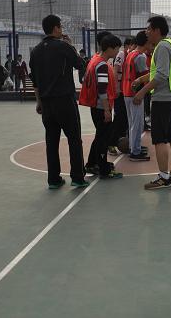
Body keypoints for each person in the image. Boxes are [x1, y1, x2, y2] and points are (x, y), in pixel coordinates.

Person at [29, 15, 89, 189]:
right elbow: (80, 64)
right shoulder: (63, 46)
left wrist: (39, 102)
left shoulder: (35, 51)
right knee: (74, 139)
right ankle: (77, 177)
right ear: (56, 28)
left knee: (51, 141)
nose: (62, 29)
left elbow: (35, 80)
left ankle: (53, 179)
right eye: (60, 26)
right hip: (64, 101)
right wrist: (71, 46)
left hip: (46, 103)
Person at [132, 16, 171, 190]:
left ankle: (164, 177)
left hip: (163, 99)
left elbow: (161, 75)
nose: (146, 32)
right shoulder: (169, 44)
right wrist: (141, 79)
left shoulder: (162, 47)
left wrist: (141, 92)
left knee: (159, 139)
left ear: (156, 30)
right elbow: (160, 72)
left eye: (149, 29)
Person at [79, 34, 124, 180]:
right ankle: (104, 169)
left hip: (96, 106)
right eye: (117, 49)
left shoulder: (95, 60)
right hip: (101, 107)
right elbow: (102, 90)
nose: (118, 52)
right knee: (103, 139)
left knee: (100, 136)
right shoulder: (102, 65)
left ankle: (92, 163)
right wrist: (106, 110)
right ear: (110, 48)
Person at [122, 31, 151, 162]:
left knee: (132, 122)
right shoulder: (140, 56)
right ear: (146, 42)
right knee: (137, 123)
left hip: (127, 91)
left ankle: (134, 147)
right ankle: (135, 151)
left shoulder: (131, 53)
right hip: (135, 94)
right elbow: (145, 77)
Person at [107, 37, 132, 156]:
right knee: (119, 117)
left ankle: (121, 140)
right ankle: (110, 143)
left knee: (124, 118)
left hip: (125, 91)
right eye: (132, 46)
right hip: (120, 91)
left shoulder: (130, 55)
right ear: (127, 46)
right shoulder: (122, 54)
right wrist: (116, 87)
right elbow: (115, 69)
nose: (133, 48)